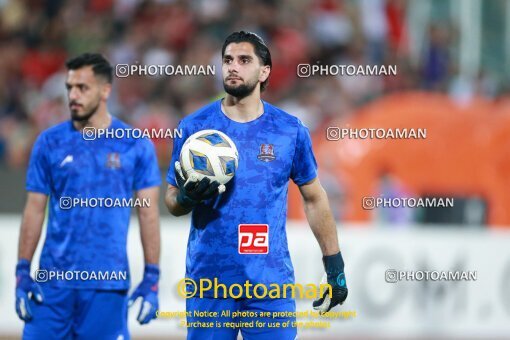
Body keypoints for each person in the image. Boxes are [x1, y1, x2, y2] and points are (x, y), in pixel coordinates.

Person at [165, 31, 348, 340]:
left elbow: (315, 198)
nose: (232, 67)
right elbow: (171, 201)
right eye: (227, 60)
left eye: (244, 60)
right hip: (209, 281)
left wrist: (334, 265)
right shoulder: (193, 128)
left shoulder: (289, 131)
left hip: (270, 281)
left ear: (265, 72)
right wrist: (185, 197)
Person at [15, 53, 161, 339]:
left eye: (83, 88)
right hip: (52, 284)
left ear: (105, 91)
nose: (73, 95)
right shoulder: (49, 142)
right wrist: (22, 270)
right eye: (70, 87)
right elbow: (33, 209)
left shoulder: (134, 145)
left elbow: (148, 213)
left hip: (106, 285)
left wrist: (152, 275)